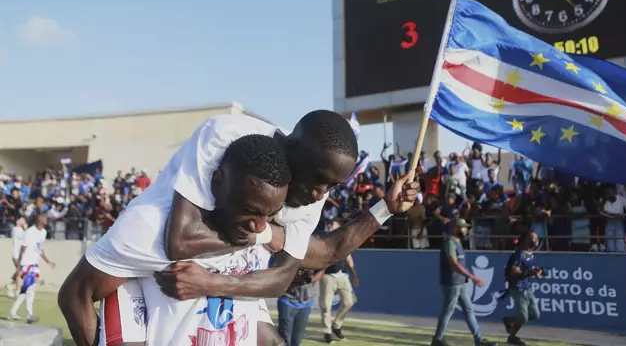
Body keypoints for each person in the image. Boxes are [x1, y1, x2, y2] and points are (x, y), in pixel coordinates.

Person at [58, 129, 419, 346]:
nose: (261, 225)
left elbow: (326, 251)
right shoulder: (153, 227)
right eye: (252, 210)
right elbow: (78, 294)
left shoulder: (264, 228)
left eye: (269, 213)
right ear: (218, 184)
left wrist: (385, 208)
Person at [432, 218, 497, 346]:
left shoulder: (458, 242)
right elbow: (454, 264)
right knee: (448, 311)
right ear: (456, 228)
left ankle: (479, 340)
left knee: (468, 310)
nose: (466, 229)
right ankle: (437, 340)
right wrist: (473, 277)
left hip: (460, 283)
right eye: (463, 227)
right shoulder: (450, 242)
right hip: (452, 284)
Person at [8, 214, 56, 323]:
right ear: (38, 221)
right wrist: (19, 266)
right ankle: (28, 314)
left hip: (34, 264)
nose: (44, 224)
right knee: (30, 289)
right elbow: (22, 249)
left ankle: (13, 312)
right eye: (43, 222)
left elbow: (40, 248)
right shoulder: (29, 232)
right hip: (26, 264)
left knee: (28, 289)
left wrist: (47, 261)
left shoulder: (43, 233)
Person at [319, 218, 359, 344]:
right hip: (328, 276)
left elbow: (349, 259)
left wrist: (355, 275)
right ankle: (327, 332)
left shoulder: (344, 240)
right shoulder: (324, 240)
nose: (330, 226)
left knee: (349, 301)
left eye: (332, 224)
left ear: (339, 226)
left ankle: (336, 325)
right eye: (329, 224)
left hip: (342, 276)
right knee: (326, 306)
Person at [502, 230, 543, 346]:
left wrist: (538, 271)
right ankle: (512, 337)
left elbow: (529, 269)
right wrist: (529, 273)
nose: (537, 241)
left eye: (537, 238)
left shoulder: (531, 253)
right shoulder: (519, 254)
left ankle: (509, 320)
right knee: (523, 317)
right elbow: (514, 272)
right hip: (517, 288)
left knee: (535, 315)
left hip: (527, 287)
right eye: (534, 238)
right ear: (526, 240)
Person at [277, 268, 324, 346]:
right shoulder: (285, 256)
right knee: (285, 336)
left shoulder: (314, 258)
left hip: (306, 302)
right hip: (287, 299)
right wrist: (293, 277)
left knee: (297, 338)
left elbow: (322, 270)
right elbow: (278, 271)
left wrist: (310, 279)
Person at [5, 216, 27, 298]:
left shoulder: (21, 230)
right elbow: (25, 238)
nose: (24, 220)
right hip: (16, 254)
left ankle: (10, 285)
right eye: (22, 219)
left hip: (20, 255)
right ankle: (17, 291)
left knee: (19, 272)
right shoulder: (15, 230)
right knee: (19, 272)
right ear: (18, 221)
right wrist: (26, 229)